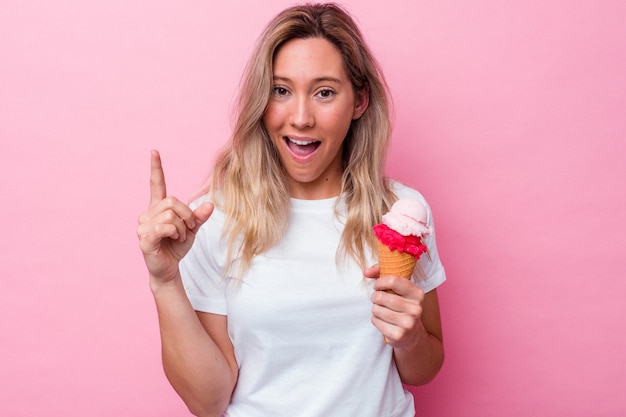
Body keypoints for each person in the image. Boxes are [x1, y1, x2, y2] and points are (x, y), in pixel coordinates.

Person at [137, 3, 446, 417]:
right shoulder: (212, 219)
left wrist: (409, 339)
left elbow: (423, 369)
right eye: (281, 91)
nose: (300, 118)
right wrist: (165, 281)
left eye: (324, 92)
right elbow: (208, 402)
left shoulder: (401, 213)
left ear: (359, 101)